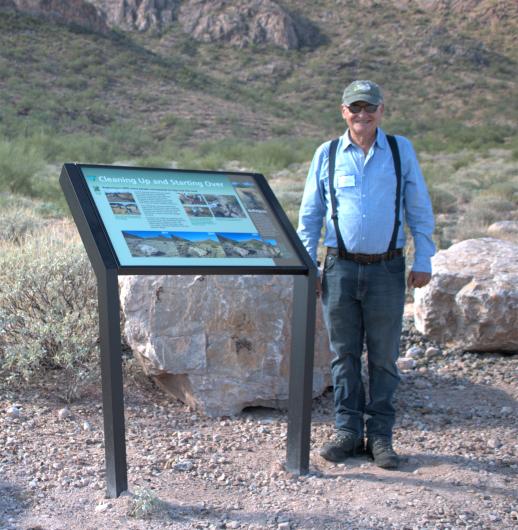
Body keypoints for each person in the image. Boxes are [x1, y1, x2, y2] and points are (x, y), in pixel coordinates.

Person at [297, 80, 435, 469]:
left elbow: (418, 206)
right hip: (339, 266)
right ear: (343, 111)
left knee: (385, 357)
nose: (362, 114)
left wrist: (423, 257)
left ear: (381, 109)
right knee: (343, 355)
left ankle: (380, 437)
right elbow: (309, 216)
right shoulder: (326, 154)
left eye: (369, 106)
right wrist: (310, 265)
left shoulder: (398, 149)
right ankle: (346, 430)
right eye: (355, 107)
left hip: (387, 268)